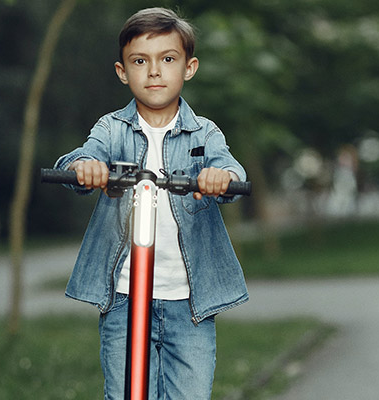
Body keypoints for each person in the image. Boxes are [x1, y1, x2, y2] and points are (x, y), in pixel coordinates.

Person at [54, 7, 249, 399]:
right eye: (140, 61)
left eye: (168, 59)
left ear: (189, 68)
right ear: (123, 71)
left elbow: (230, 170)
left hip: (190, 301)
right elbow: (85, 154)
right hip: (125, 296)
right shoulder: (112, 128)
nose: (154, 71)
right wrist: (85, 166)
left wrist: (221, 178)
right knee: (124, 392)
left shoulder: (204, 133)